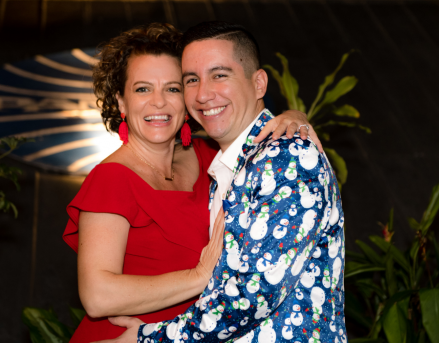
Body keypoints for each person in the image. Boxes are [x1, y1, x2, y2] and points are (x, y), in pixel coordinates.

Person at [62, 23, 321, 343]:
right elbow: (97, 296)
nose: (158, 102)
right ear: (122, 102)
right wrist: (199, 276)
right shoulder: (111, 179)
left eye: (172, 88)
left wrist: (294, 117)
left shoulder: (209, 155)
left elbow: (251, 128)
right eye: (142, 89)